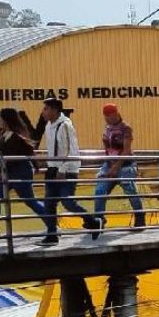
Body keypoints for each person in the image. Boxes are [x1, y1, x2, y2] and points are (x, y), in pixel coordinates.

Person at [0, 107, 47, 242]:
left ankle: (52, 224)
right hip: (4, 173)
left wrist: (36, 166)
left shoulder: (18, 136)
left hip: (20, 172)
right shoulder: (3, 135)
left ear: (6, 120)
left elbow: (28, 153)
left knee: (30, 201)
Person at [38, 98, 97, 243]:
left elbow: (71, 149)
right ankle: (52, 234)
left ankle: (92, 221)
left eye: (45, 109)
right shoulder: (48, 126)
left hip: (67, 169)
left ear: (54, 110)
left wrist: (62, 168)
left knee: (67, 201)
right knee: (49, 203)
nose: (43, 112)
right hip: (52, 168)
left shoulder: (65, 125)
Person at [92, 103, 146, 232]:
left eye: (110, 115)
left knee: (131, 191)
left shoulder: (126, 128)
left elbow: (126, 150)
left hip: (125, 164)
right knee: (100, 191)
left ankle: (140, 218)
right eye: (105, 116)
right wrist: (107, 163)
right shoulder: (107, 128)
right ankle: (99, 220)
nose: (107, 118)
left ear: (116, 114)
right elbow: (107, 148)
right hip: (109, 164)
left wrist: (116, 167)